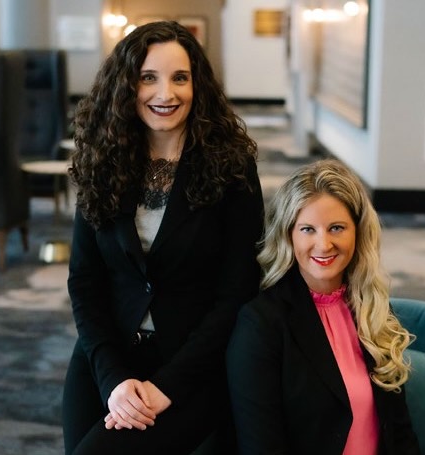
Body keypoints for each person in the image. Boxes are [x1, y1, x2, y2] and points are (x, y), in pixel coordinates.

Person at [62, 21, 264, 455]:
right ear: (126, 85)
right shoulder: (102, 158)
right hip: (108, 354)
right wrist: (113, 379)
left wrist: (166, 386)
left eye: (180, 78)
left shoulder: (231, 167)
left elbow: (238, 293)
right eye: (148, 78)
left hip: (192, 364)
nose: (165, 94)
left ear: (199, 86)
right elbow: (84, 280)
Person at [226, 159, 420, 455]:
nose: (323, 244)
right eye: (307, 229)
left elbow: (400, 434)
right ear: (288, 234)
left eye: (337, 228)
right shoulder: (261, 324)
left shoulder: (373, 308)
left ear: (357, 231)